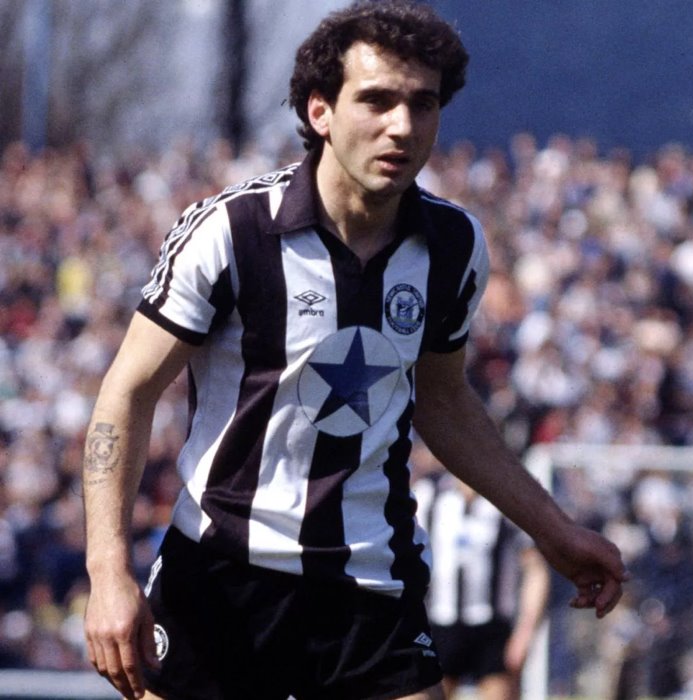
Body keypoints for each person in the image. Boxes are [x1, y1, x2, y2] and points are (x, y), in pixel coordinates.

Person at [81, 2, 628, 699]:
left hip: (369, 583)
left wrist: (552, 529)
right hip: (220, 575)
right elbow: (127, 393)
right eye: (376, 100)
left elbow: (443, 402)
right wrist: (107, 571)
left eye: (422, 104)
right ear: (320, 111)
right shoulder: (231, 232)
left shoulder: (454, 247)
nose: (402, 125)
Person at [411, 440, 550, 699]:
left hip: (493, 628)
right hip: (438, 623)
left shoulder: (506, 501)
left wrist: (525, 632)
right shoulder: (428, 494)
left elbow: (535, 569)